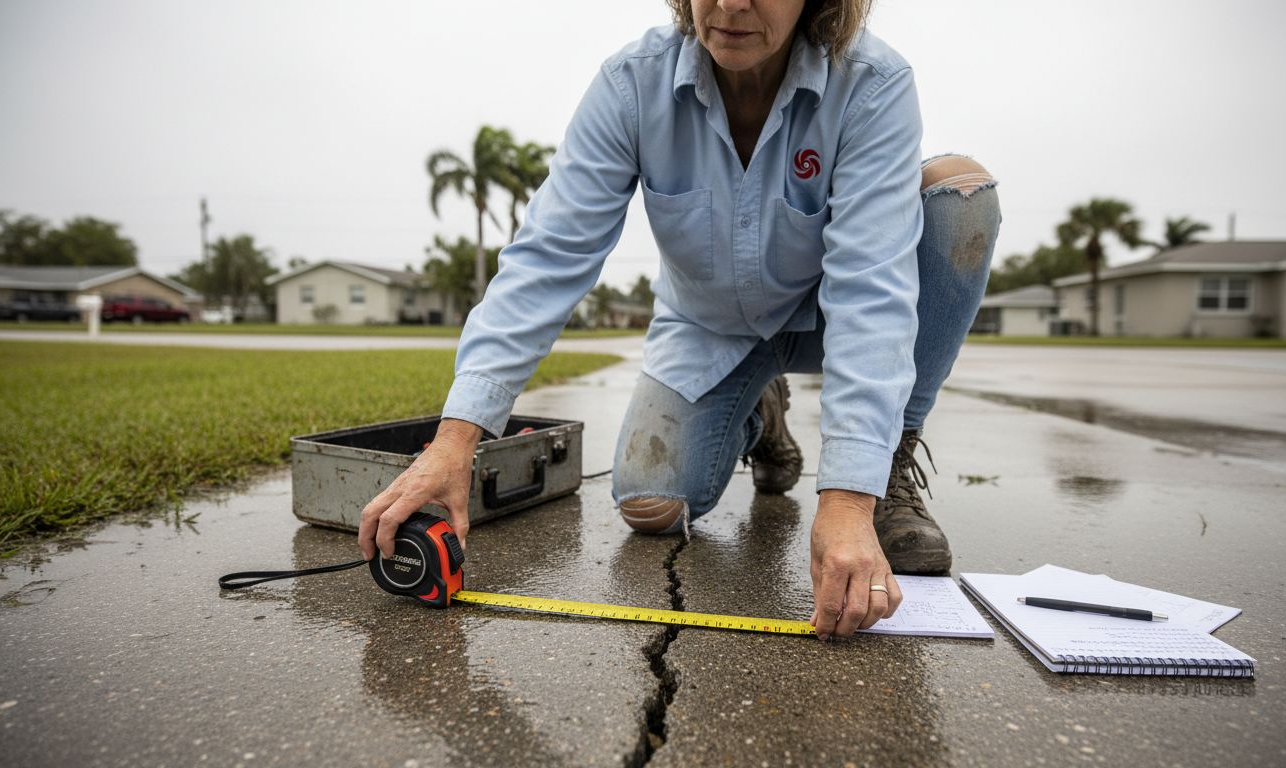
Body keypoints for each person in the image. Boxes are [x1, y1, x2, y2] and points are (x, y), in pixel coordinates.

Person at [358, 0, 1000, 640]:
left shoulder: (870, 82)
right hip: (711, 329)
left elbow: (870, 289)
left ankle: (888, 467)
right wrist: (455, 440)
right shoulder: (632, 83)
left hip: (829, 314)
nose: (730, 3)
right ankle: (761, 413)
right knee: (649, 504)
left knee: (959, 194)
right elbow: (548, 257)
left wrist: (847, 500)